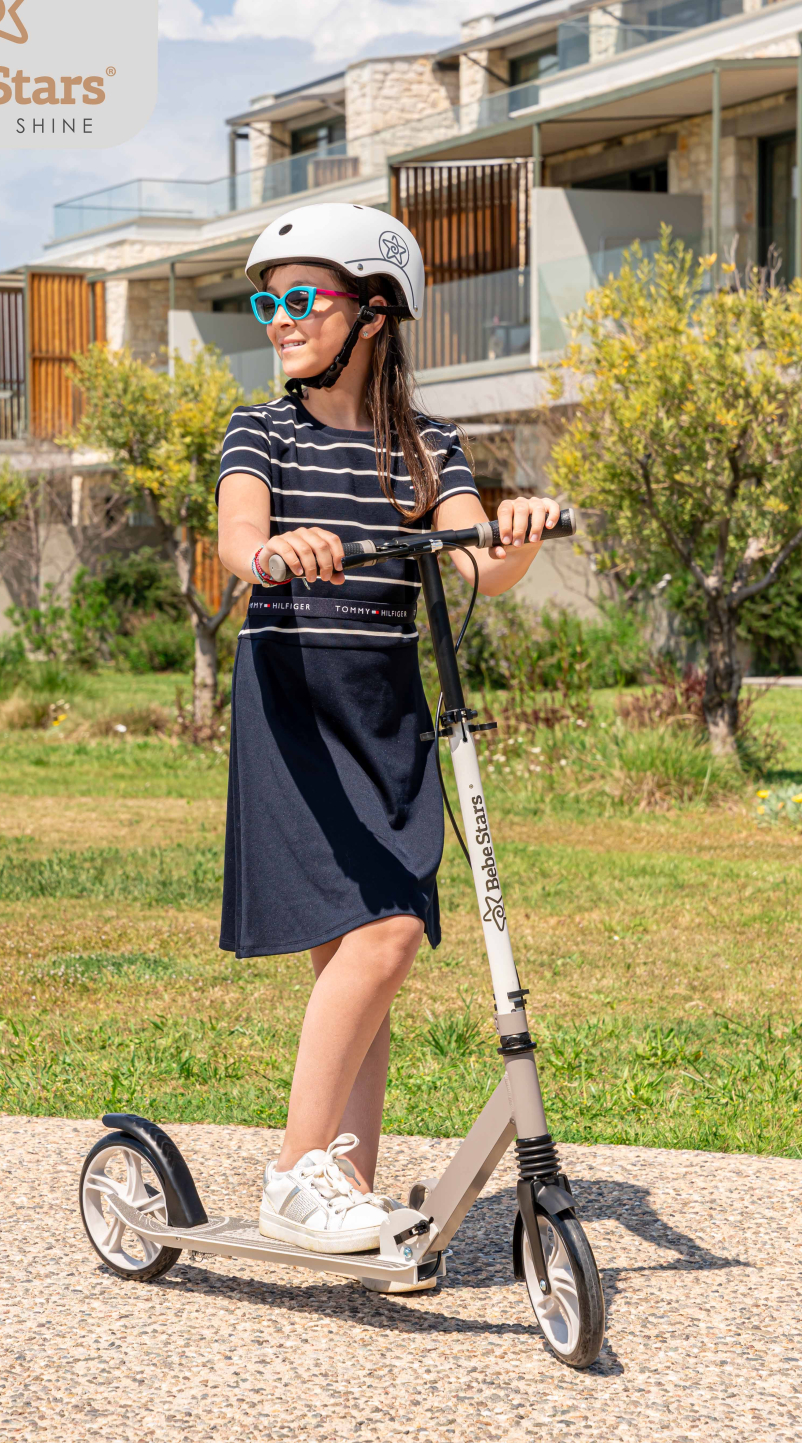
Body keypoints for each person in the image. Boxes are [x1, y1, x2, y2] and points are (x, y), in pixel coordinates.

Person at [215, 202, 560, 1262]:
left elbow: (479, 563)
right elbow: (239, 539)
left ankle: (345, 1184)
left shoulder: (425, 446)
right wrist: (279, 552)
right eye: (268, 304)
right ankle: (294, 1177)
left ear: (372, 313)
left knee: (361, 958)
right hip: (296, 703)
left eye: (301, 298)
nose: (280, 319)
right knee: (387, 935)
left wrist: (516, 531)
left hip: (387, 708)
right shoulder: (262, 431)